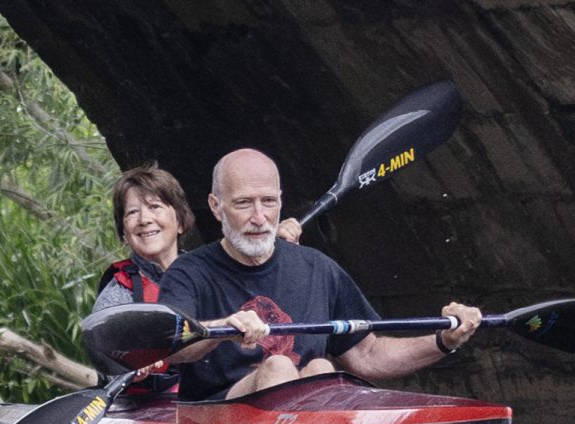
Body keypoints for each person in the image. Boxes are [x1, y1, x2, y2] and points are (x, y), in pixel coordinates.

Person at [158, 148, 480, 400]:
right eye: (244, 203)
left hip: (304, 410)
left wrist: (444, 340)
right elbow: (170, 347)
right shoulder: (188, 272)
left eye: (268, 202)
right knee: (280, 366)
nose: (259, 217)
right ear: (216, 207)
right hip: (215, 416)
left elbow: (367, 354)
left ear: (281, 202)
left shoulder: (317, 267)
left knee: (321, 367)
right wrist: (223, 327)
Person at [86, 164, 298, 380]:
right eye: (132, 212)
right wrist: (131, 366)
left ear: (179, 221)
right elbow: (108, 366)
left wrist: (273, 248)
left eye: (155, 207)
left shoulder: (210, 272)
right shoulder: (117, 295)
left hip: (222, 398)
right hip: (151, 407)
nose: (144, 219)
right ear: (124, 232)